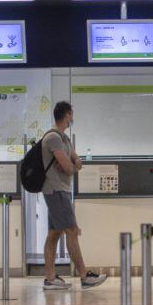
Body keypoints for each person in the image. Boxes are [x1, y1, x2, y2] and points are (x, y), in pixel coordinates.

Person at [41, 101, 107, 291]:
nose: (73, 118)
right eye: (72, 114)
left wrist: (73, 163)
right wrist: (72, 165)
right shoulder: (53, 138)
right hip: (56, 190)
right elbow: (70, 168)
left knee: (54, 234)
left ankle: (50, 278)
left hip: (60, 190)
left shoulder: (65, 139)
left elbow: (76, 161)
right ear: (66, 115)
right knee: (72, 230)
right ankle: (84, 276)